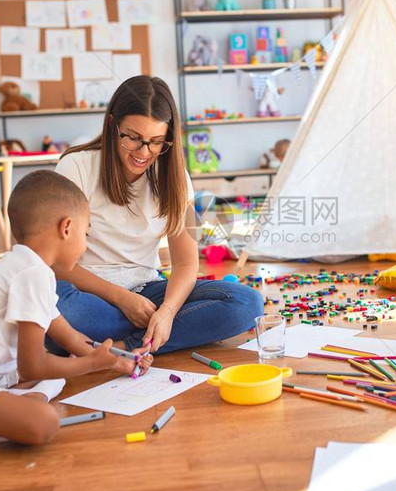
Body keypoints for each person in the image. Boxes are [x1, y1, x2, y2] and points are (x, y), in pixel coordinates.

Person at [0, 171, 153, 445]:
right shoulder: (32, 274)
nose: (85, 245)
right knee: (43, 422)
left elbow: (71, 337)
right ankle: (21, 403)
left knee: (58, 374)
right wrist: (90, 365)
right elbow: (32, 366)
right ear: (66, 228)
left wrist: (119, 362)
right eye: (86, 233)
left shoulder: (27, 267)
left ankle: (17, 401)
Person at [52, 75, 263, 355]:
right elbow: (56, 262)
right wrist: (122, 298)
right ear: (113, 123)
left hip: (147, 293)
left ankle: (118, 346)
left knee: (247, 303)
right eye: (133, 139)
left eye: (156, 142)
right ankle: (149, 336)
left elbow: (187, 264)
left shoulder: (174, 177)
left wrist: (166, 312)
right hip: (88, 295)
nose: (144, 153)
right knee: (57, 306)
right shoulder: (76, 166)